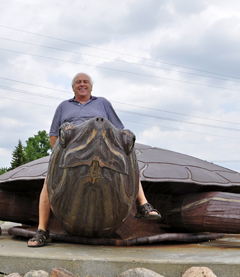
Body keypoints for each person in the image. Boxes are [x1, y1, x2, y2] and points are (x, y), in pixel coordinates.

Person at [28, 73, 161, 247]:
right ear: (73, 87)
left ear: (91, 86)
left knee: (130, 164)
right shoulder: (63, 106)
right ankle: (42, 231)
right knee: (48, 182)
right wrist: (59, 155)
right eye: (78, 82)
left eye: (85, 82)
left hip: (103, 146)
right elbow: (54, 135)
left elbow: (119, 131)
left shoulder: (103, 103)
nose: (82, 84)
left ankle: (143, 204)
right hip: (74, 146)